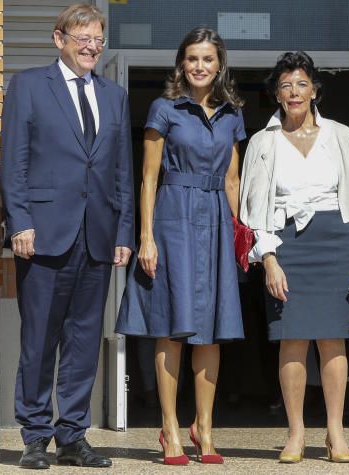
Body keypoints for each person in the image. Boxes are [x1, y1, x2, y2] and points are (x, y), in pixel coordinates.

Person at [0, 3, 134, 470]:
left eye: (98, 38)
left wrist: (124, 230)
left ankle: (72, 437)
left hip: (96, 235)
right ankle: (35, 437)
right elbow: (13, 162)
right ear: (59, 39)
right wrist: (20, 221)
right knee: (39, 338)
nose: (92, 46)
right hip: (43, 234)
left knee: (83, 340)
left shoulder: (114, 96)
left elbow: (122, 171)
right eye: (83, 38)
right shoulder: (29, 86)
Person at [115, 27, 245, 465]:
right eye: (192, 58)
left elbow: (232, 180)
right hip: (172, 219)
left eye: (208, 59)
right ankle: (170, 426)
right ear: (181, 63)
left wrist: (242, 233)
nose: (200, 66)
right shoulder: (163, 109)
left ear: (220, 64)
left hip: (215, 223)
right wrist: (145, 237)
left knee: (212, 331)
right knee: (173, 326)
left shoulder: (231, 114)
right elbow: (148, 178)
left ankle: (204, 427)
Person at [239, 50, 349, 464]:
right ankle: (296, 433)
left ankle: (335, 433)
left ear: (315, 90)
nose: (294, 92)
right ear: (276, 95)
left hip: (335, 241)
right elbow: (252, 208)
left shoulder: (341, 135)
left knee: (334, 338)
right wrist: (270, 259)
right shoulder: (262, 142)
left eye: (301, 83)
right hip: (287, 244)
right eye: (285, 85)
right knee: (291, 338)